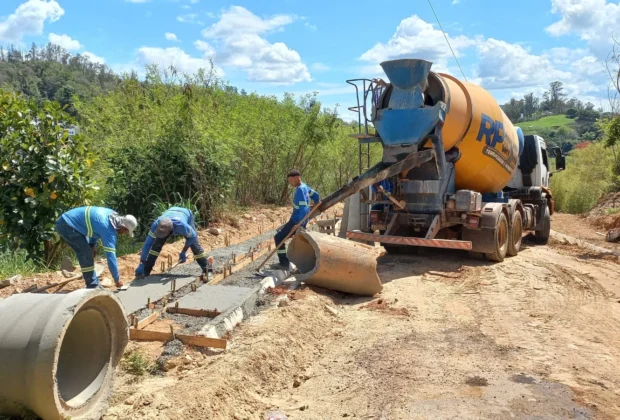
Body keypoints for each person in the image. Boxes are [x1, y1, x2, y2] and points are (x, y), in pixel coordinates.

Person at [56, 206, 137, 289]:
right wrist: (117, 279)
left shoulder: (111, 214)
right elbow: (111, 257)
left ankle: (92, 282)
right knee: (85, 253)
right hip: (67, 225)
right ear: (123, 227)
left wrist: (92, 244)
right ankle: (92, 285)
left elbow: (94, 226)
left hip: (69, 223)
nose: (125, 234)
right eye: (126, 231)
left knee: (87, 252)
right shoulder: (108, 230)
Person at [135, 206, 211, 277]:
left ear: (170, 231)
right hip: (171, 212)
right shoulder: (156, 225)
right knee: (156, 246)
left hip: (185, 214)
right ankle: (146, 272)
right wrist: (142, 262)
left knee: (195, 246)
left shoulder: (182, 226)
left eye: (164, 234)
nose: (162, 235)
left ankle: (208, 270)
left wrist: (184, 251)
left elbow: (192, 236)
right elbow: (148, 244)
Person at [271, 169, 320, 271]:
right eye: (289, 181)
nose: (291, 183)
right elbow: (316, 195)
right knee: (289, 238)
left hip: (297, 220)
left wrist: (298, 224)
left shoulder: (300, 190)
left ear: (298, 178)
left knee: (278, 238)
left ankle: (284, 263)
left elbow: (302, 209)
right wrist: (316, 202)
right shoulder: (305, 187)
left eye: (292, 181)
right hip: (300, 219)